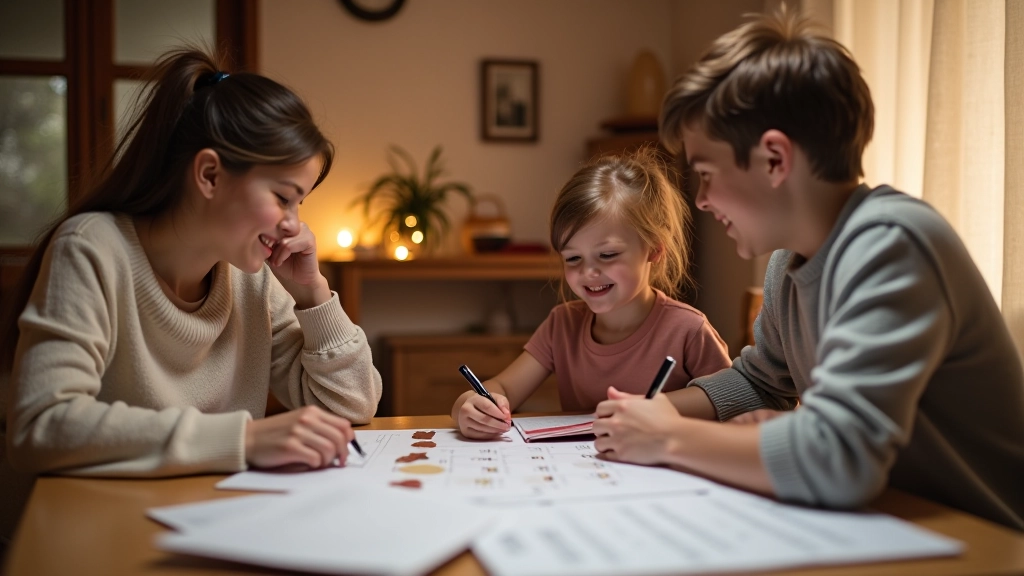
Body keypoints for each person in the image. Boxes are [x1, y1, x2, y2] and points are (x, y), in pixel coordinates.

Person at [592, 9, 1024, 532]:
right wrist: (651, 410)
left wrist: (665, 437)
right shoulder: (787, 264)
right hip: (889, 525)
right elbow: (761, 383)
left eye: (705, 173)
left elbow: (840, 457)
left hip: (984, 540)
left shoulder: (891, 246)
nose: (701, 200)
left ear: (775, 159)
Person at [0, 48, 383, 544]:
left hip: (212, 525)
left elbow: (352, 405)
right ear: (209, 175)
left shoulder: (253, 277)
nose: (295, 224)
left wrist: (314, 293)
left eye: (301, 203)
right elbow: (41, 427)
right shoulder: (92, 247)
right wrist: (243, 439)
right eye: (283, 197)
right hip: (88, 534)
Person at [452, 148, 731, 439]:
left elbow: (734, 402)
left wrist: (656, 410)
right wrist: (469, 407)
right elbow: (502, 388)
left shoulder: (688, 329)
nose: (587, 273)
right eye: (573, 259)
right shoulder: (562, 325)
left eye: (607, 254)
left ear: (655, 248)